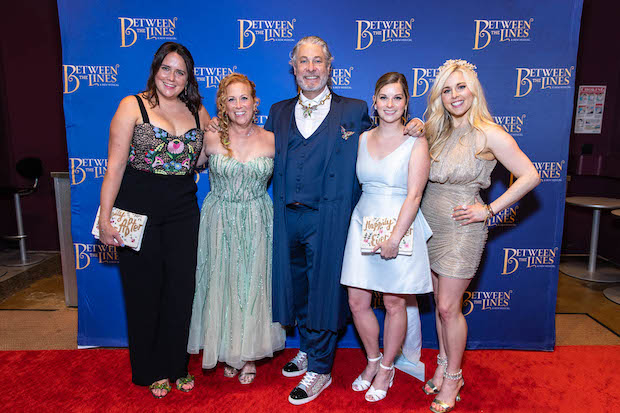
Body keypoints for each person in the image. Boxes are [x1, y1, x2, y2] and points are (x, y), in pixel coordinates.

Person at [264, 36, 424, 405]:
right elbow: (252, 146)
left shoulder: (353, 110)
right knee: (298, 289)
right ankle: (308, 346)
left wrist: (417, 127)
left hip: (332, 219)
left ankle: (320, 368)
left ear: (329, 65)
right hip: (287, 217)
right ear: (294, 67)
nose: (310, 68)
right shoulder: (278, 112)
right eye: (303, 61)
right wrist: (217, 133)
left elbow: (387, 138)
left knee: (323, 292)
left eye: (317, 60)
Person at [419, 59, 540, 413]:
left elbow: (530, 175)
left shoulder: (489, 132)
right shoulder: (436, 130)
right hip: (429, 224)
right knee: (440, 305)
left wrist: (488, 210)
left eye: (460, 87)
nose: (454, 95)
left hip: (463, 228)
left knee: (447, 307)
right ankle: (442, 364)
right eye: (446, 89)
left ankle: (454, 375)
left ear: (474, 90)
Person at [98, 42, 210, 398]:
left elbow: (205, 159)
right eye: (167, 68)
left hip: (182, 213)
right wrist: (105, 218)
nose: (172, 77)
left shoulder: (197, 111)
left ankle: (177, 365)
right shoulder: (132, 106)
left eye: (180, 71)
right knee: (144, 292)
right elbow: (114, 165)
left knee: (180, 291)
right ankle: (151, 369)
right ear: (155, 69)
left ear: (188, 77)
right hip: (136, 212)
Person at [340, 72, 433, 402]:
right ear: (374, 101)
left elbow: (415, 195)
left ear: (407, 103)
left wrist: (395, 238)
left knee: (395, 303)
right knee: (357, 301)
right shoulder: (362, 139)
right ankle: (373, 360)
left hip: (400, 224)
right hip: (363, 222)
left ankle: (388, 367)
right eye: (384, 97)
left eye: (398, 97)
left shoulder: (416, 142)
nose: (390, 104)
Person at [187, 73, 285, 384]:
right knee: (223, 285)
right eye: (231, 99)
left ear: (256, 103)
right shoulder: (211, 137)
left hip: (258, 218)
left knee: (253, 285)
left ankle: (249, 356)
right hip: (219, 221)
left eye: (244, 98)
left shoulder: (272, 139)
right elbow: (181, 170)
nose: (239, 104)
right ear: (223, 106)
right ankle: (229, 351)